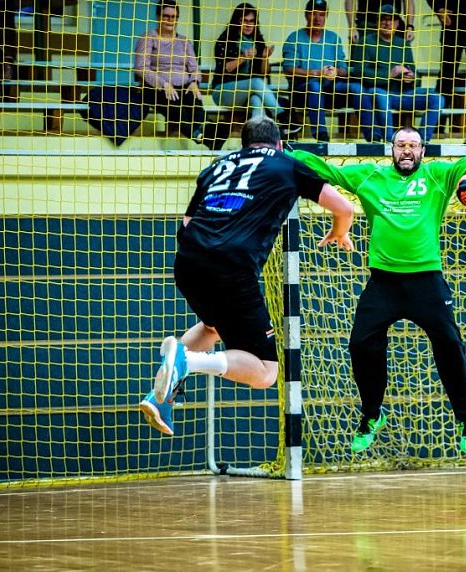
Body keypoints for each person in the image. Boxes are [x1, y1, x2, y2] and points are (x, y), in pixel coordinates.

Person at [290, 125, 466, 454]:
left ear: (422, 151)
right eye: (401, 145)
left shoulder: (438, 176)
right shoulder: (370, 176)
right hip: (383, 283)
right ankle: (372, 414)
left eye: (413, 145)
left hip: (426, 281)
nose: (407, 150)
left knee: (449, 345)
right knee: (361, 344)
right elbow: (327, 170)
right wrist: (284, 152)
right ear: (392, 149)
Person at [139, 116, 355, 436]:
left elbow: (185, 225)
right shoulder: (286, 163)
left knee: (213, 325)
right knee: (266, 372)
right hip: (232, 266)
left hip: (187, 262)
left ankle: (158, 397)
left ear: (244, 144)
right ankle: (188, 362)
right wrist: (340, 231)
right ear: (280, 144)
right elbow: (344, 208)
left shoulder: (216, 167)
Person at [282, 0, 385, 143]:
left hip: (331, 90)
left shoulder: (333, 38)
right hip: (303, 93)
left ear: (326, 17)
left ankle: (373, 136)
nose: (317, 19)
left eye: (322, 15)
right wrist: (317, 73)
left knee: (356, 88)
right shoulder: (294, 38)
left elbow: (344, 69)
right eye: (314, 14)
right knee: (314, 86)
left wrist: (336, 72)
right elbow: (288, 69)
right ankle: (321, 135)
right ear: (306, 15)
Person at [351, 4, 443, 144]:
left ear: (397, 23)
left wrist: (410, 77)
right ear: (377, 22)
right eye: (383, 19)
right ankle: (390, 142)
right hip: (380, 92)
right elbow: (359, 72)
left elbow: (413, 73)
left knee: (437, 98)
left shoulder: (403, 44)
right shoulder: (366, 42)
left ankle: (422, 140)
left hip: (403, 93)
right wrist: (389, 74)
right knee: (380, 95)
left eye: (391, 19)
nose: (387, 23)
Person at [134, 0, 207, 144]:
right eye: (166, 16)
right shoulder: (148, 38)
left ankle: (203, 133)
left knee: (195, 100)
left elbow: (194, 68)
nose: (170, 20)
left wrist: (194, 82)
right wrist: (163, 84)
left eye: (173, 17)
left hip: (183, 86)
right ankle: (198, 134)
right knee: (174, 104)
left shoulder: (184, 41)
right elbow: (141, 67)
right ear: (158, 17)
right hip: (157, 88)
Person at [212, 3, 286, 123]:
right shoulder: (225, 40)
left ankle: (257, 137)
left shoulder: (258, 41)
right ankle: (281, 115)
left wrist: (264, 57)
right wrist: (243, 57)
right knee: (256, 82)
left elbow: (264, 72)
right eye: (244, 21)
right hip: (223, 91)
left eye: (251, 21)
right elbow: (225, 68)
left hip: (247, 93)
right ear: (237, 21)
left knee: (256, 100)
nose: (248, 25)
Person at [346, 0, 415, 44]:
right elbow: (349, 1)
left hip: (393, 25)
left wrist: (410, 27)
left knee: (398, 61)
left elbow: (409, 1)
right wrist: (352, 28)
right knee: (363, 60)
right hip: (367, 24)